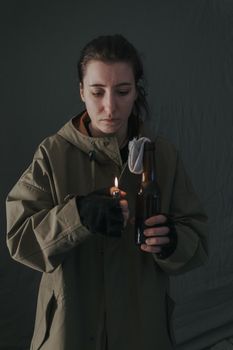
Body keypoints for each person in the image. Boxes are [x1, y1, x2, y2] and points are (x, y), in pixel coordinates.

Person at [6, 34, 208, 350]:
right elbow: (19, 239)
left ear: (136, 91)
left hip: (143, 331)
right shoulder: (52, 155)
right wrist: (77, 216)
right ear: (81, 92)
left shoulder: (164, 157)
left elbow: (198, 238)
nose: (110, 107)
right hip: (70, 331)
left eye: (123, 91)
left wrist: (173, 240)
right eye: (97, 92)